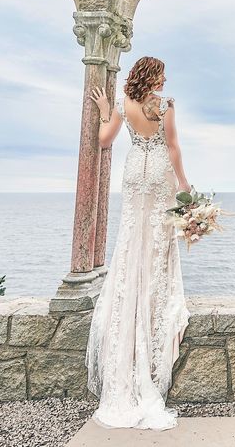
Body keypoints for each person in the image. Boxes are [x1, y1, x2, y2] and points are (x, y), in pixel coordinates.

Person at [85, 56, 191, 429]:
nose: (166, 78)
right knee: (157, 242)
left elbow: (104, 141)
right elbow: (174, 147)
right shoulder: (165, 105)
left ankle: (128, 301)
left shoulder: (123, 104)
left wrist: (102, 110)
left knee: (130, 241)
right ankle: (153, 303)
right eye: (162, 72)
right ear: (153, 74)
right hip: (159, 172)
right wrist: (184, 185)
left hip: (133, 173)